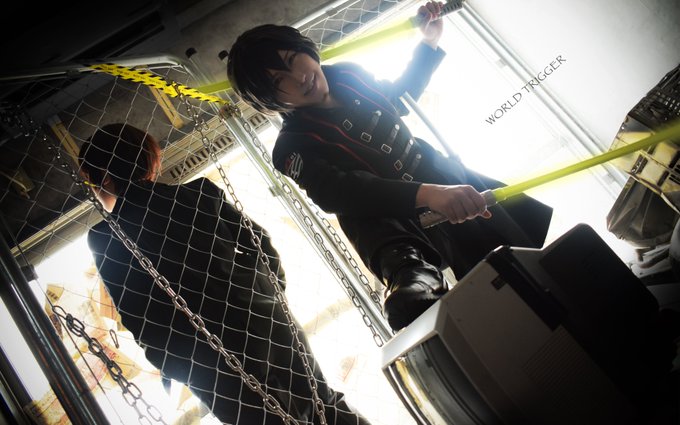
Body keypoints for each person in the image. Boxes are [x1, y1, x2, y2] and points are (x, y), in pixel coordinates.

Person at [225, 1, 554, 332]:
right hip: (396, 221)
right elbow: (337, 191)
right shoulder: (291, 146)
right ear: (270, 101)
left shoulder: (349, 74)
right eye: (279, 81)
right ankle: (411, 274)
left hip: (441, 176)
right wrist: (426, 195)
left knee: (522, 271)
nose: (299, 78)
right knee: (357, 209)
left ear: (304, 49)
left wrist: (428, 43)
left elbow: (395, 97)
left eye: (292, 60)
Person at [79, 123, 371, 425]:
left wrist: (174, 364)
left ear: (105, 178)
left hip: (206, 356)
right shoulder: (198, 193)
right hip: (264, 319)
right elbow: (260, 243)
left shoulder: (106, 237)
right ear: (148, 161)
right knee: (324, 402)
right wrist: (267, 293)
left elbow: (137, 315)